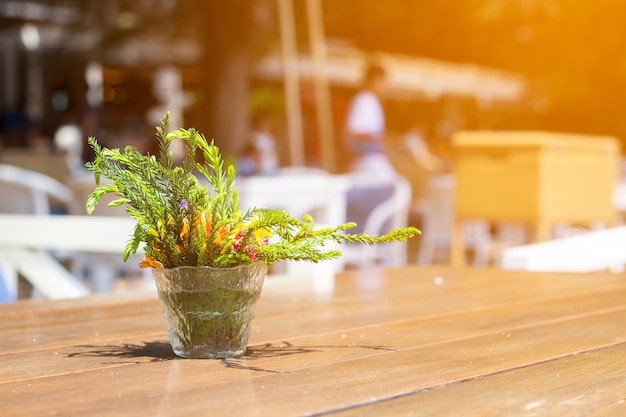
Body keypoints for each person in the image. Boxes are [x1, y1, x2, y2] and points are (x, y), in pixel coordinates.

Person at [344, 64, 397, 233]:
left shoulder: (367, 100)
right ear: (375, 80)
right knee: (395, 193)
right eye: (384, 82)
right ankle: (381, 245)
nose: (386, 86)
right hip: (369, 163)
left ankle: (378, 244)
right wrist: (384, 139)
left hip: (371, 162)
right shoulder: (365, 100)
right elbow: (356, 131)